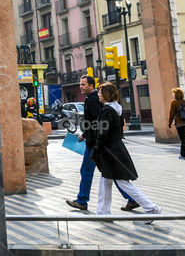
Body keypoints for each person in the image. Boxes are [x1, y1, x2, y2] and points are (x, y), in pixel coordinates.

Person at [66, 74, 138, 212]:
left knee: (88, 171)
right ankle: (131, 199)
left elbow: (98, 122)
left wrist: (89, 135)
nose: (81, 87)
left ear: (91, 86)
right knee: (110, 173)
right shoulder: (93, 99)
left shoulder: (92, 100)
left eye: (83, 84)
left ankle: (82, 201)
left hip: (95, 144)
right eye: (80, 84)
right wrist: (85, 134)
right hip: (96, 141)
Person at [94, 82, 161, 218]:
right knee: (106, 181)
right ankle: (102, 212)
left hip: (110, 152)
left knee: (123, 183)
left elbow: (103, 132)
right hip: (115, 149)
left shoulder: (107, 110)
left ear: (106, 95)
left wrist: (98, 146)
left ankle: (151, 208)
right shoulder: (117, 109)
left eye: (100, 92)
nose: (99, 95)